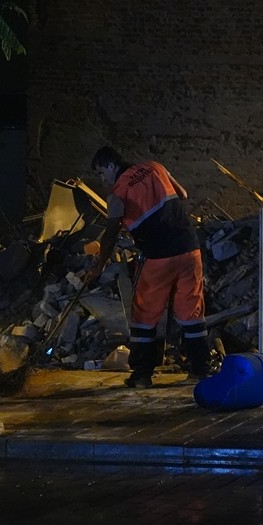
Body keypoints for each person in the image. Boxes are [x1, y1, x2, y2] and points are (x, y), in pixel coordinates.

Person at [85, 146, 209, 388]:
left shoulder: (117, 193)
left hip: (157, 257)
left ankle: (142, 375)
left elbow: (110, 235)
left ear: (110, 166)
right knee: (191, 311)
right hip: (188, 249)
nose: (102, 180)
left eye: (101, 173)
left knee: (144, 315)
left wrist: (99, 265)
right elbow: (182, 194)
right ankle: (201, 369)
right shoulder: (155, 167)